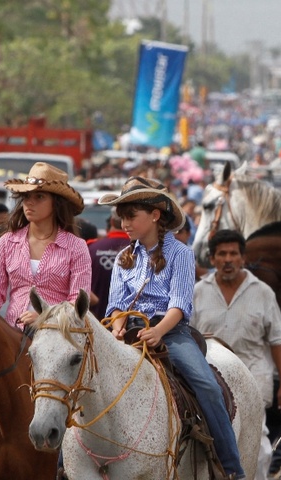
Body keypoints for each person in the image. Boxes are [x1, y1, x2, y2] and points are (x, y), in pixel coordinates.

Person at [100, 176, 246, 479]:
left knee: (206, 385)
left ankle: (232, 469)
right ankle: (70, 463)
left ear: (155, 215)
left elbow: (179, 305)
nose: (124, 222)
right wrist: (116, 328)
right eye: (122, 216)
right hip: (128, 332)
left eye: (131, 215)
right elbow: (115, 306)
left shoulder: (181, 253)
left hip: (170, 331)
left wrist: (157, 332)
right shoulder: (123, 258)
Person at [193, 229, 281, 480]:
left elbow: (277, 339)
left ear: (243, 258)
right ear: (212, 260)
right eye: (221, 254)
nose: (228, 260)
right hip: (209, 381)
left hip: (254, 377)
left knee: (258, 448)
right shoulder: (198, 291)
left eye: (233, 254)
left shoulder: (263, 292)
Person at [0, 162, 91, 328]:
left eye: (39, 197)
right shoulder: (7, 242)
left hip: (58, 336)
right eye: (26, 196)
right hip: (14, 334)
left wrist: (46, 317)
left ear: (56, 203)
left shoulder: (76, 246)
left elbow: (78, 301)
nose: (29, 203)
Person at [87, 213, 131, 319]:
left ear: (111, 222)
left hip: (96, 320)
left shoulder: (91, 248)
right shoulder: (138, 249)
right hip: (127, 324)